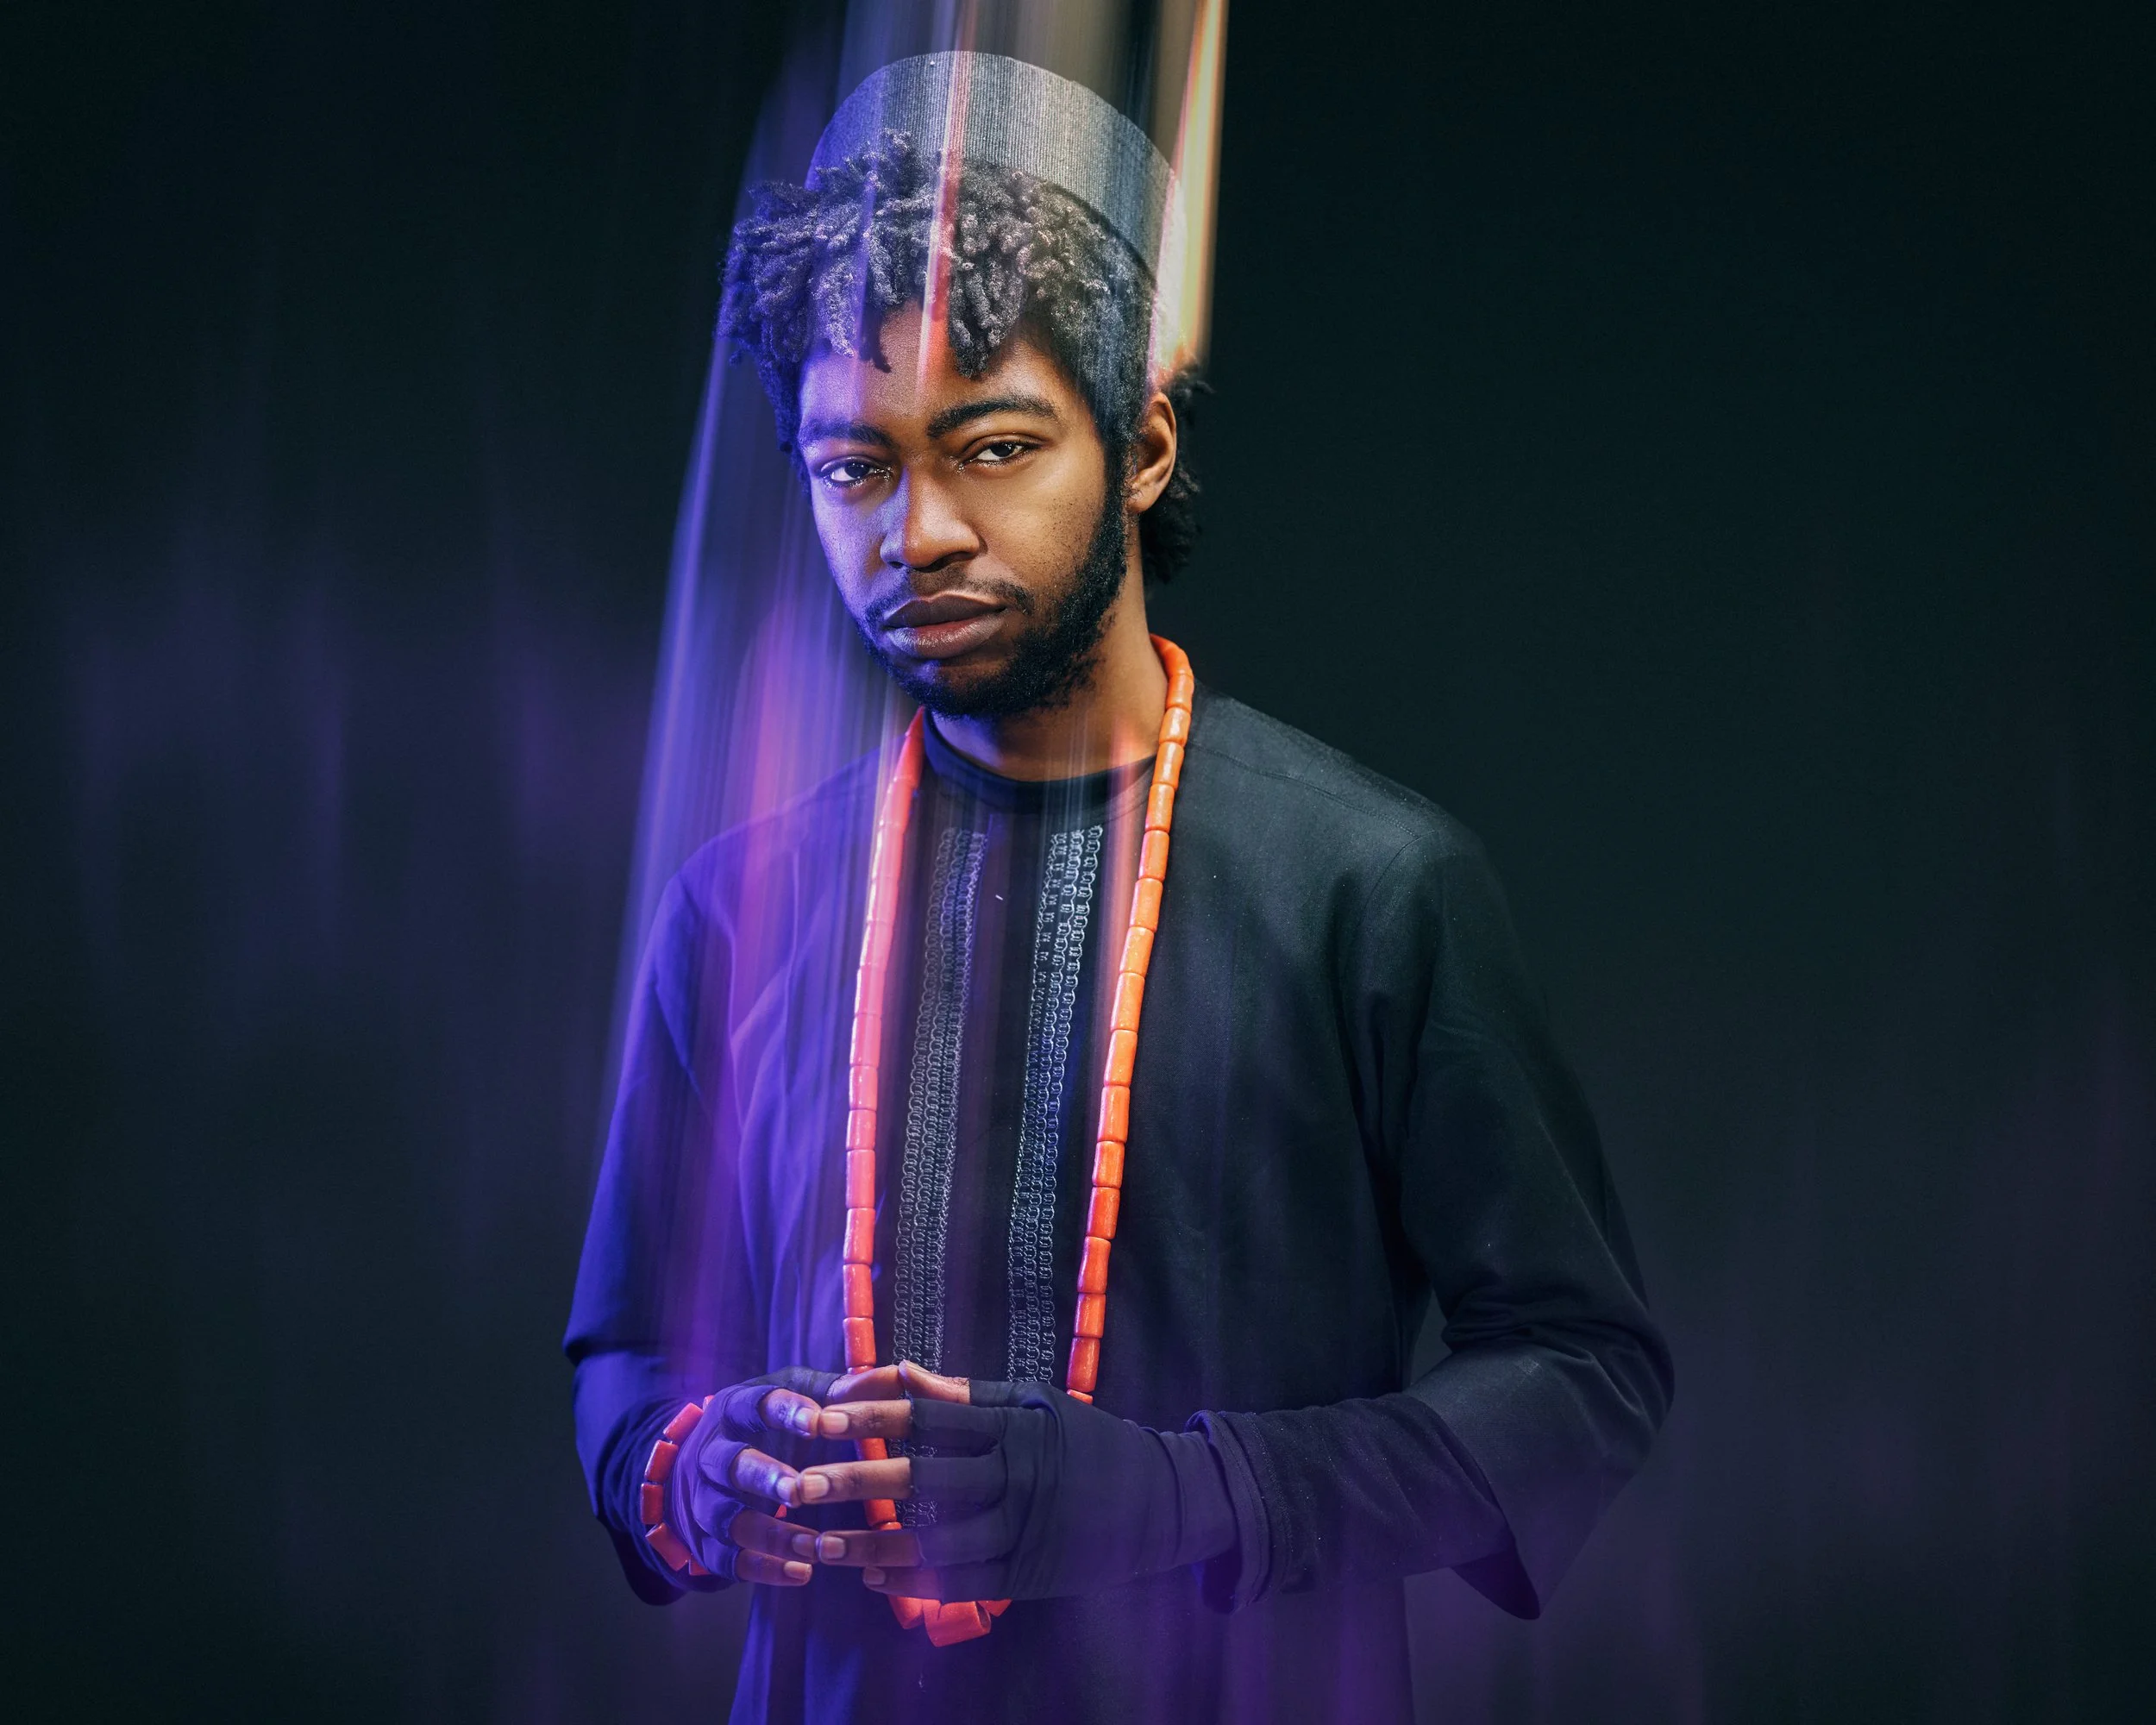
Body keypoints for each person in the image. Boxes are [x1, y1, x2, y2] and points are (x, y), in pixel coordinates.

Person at [566, 52, 1671, 1724]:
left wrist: (1181, 1498)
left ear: (1142, 442)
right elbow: (620, 1358)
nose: (914, 532)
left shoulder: (1365, 888)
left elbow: (1583, 1377)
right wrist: (694, 1470)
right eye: (850, 469)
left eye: (990, 446)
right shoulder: (735, 910)